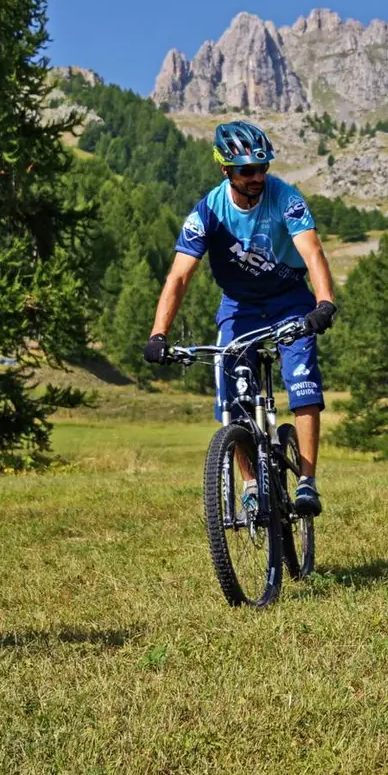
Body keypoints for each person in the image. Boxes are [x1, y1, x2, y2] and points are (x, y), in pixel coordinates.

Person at [143, 121, 338, 516]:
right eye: (247, 170)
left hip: (290, 302)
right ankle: (250, 484)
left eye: (263, 167)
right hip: (239, 307)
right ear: (225, 169)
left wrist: (323, 303)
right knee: (234, 400)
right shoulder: (208, 212)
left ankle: (306, 482)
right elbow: (179, 276)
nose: (257, 177)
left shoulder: (286, 198)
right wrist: (158, 334)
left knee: (301, 383)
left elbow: (312, 252)